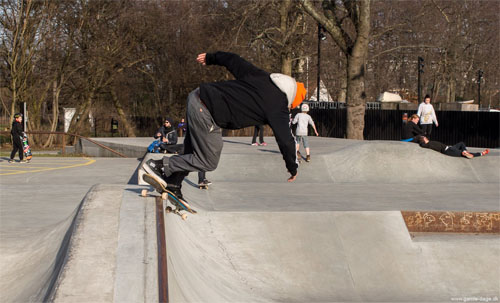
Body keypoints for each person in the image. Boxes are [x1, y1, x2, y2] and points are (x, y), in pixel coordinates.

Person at [142, 51, 306, 198]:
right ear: (292, 99)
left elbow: (233, 59)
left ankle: (173, 184)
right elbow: (286, 140)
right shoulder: (279, 106)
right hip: (206, 111)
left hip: (197, 97)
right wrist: (293, 167)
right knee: (208, 160)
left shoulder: (262, 77)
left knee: (191, 151)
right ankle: (159, 165)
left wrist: (210, 58)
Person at [153, 117, 210, 187]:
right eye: (165, 122)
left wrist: (168, 141)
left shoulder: (173, 130)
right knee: (185, 164)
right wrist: (157, 135)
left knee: (198, 161)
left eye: (167, 122)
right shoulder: (162, 128)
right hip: (186, 147)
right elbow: (155, 135)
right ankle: (169, 178)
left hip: (178, 146)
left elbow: (175, 141)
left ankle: (201, 179)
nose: (165, 123)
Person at [418, 136, 489, 159]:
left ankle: (464, 151)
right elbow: (421, 144)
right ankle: (481, 153)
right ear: (424, 140)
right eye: (425, 137)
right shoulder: (427, 144)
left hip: (449, 148)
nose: (426, 137)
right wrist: (421, 140)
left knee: (461, 143)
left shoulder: (429, 143)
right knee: (465, 154)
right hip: (448, 151)